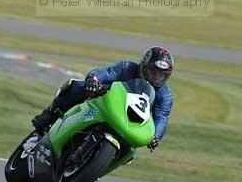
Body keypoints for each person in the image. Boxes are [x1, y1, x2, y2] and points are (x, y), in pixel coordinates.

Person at [31, 46, 174, 151]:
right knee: (75, 86)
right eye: (152, 71)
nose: (155, 77)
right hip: (104, 101)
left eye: (160, 75)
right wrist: (94, 79)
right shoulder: (127, 67)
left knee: (132, 151)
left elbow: (162, 117)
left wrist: (156, 136)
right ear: (143, 66)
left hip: (128, 122)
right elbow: (107, 73)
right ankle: (49, 116)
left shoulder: (165, 95)